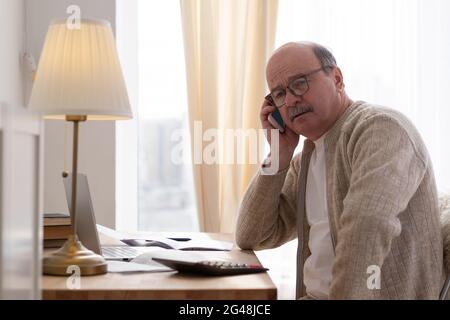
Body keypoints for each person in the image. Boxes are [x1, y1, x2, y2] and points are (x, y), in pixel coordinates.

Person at [235, 41, 445, 299]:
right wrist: (278, 157)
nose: (290, 100)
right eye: (278, 94)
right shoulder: (307, 159)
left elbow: (367, 230)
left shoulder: (381, 130)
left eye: (299, 83)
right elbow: (251, 235)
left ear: (336, 78)